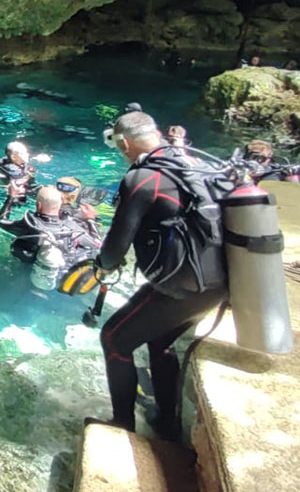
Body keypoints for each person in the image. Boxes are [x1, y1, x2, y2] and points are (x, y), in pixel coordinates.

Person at [95, 112, 227, 440]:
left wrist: (103, 266)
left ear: (124, 143)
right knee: (160, 339)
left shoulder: (142, 178)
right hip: (220, 282)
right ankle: (167, 422)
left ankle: (122, 426)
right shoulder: (196, 163)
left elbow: (115, 248)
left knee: (114, 339)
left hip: (182, 288)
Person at [0, 183, 100, 284]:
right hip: (60, 274)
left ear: (38, 205)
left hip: (26, 268)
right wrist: (91, 220)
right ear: (60, 205)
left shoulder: (28, 225)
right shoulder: (73, 229)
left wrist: (11, 197)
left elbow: (1, 221)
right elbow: (97, 244)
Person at [56, 176, 105, 246]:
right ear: (77, 193)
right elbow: (98, 244)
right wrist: (91, 219)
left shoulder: (46, 208)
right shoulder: (83, 215)